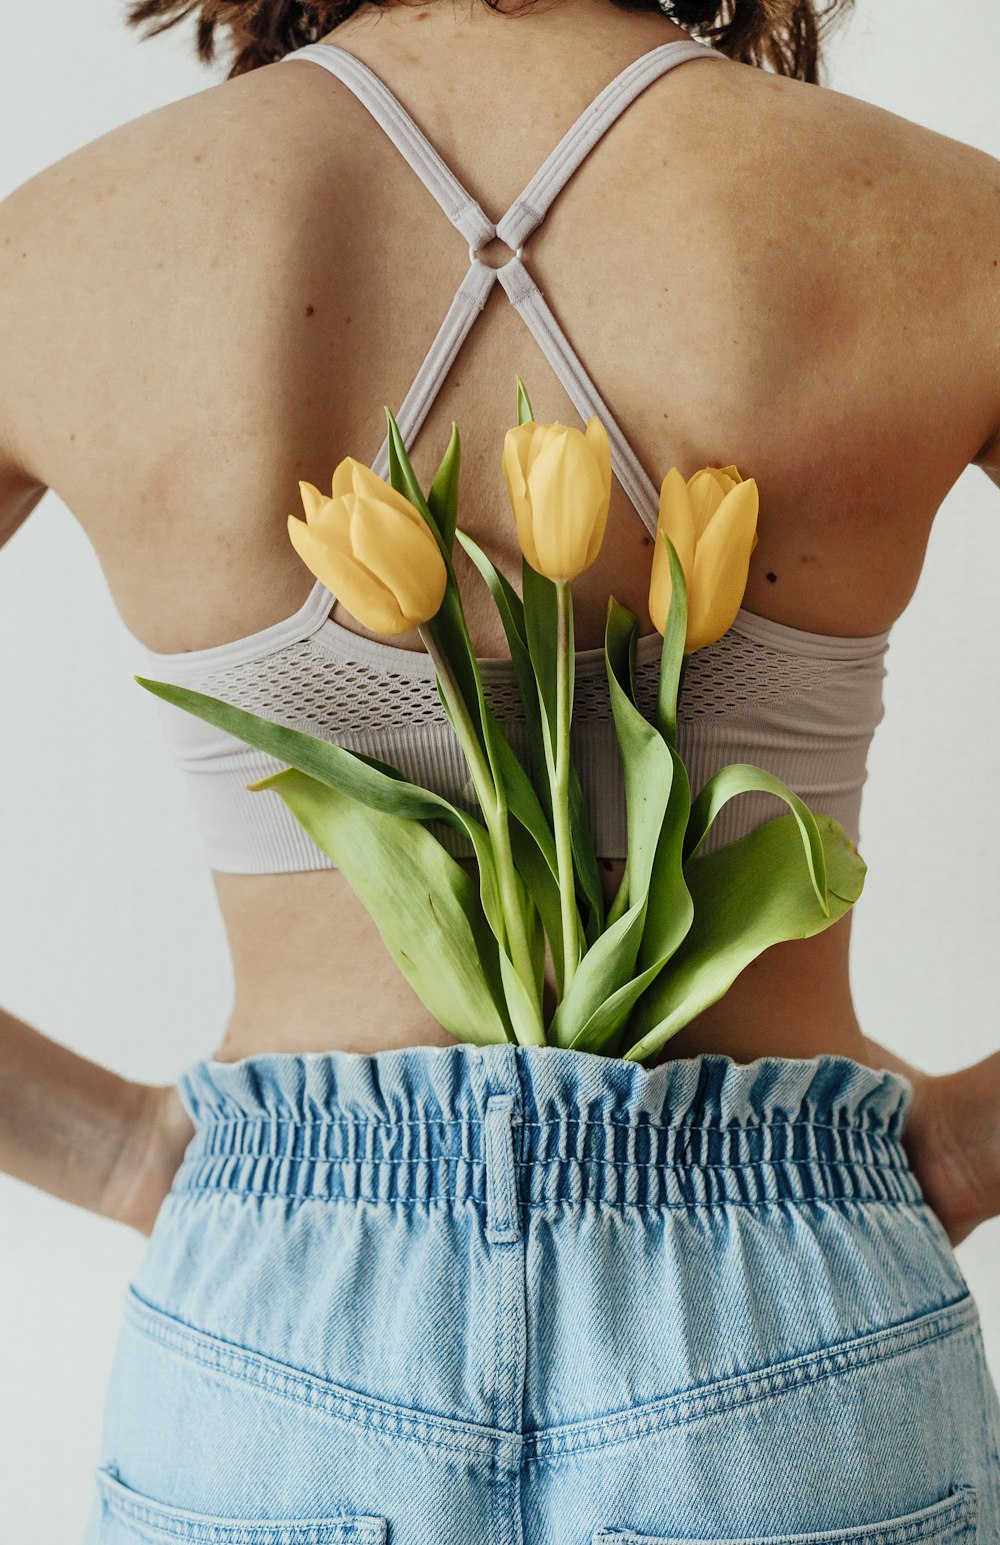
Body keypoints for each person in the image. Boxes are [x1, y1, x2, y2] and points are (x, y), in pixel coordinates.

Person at [2, 0, 999, 1537]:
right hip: (790, 1307)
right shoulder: (931, 221)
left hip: (278, 1311)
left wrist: (134, 1150)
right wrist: (960, 1142)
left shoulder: (68, 249)